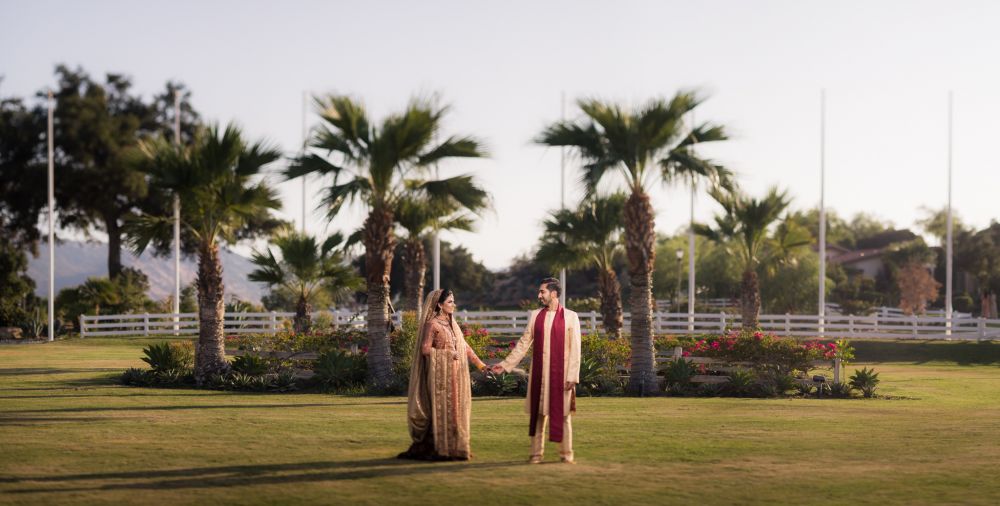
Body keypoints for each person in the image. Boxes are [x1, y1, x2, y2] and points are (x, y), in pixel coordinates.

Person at [491, 278, 582, 464]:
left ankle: (566, 454)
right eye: (540, 292)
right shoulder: (535, 316)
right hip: (539, 375)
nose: (539, 295)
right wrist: (505, 364)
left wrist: (573, 376)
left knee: (563, 416)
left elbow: (576, 349)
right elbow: (523, 344)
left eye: (542, 292)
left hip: (562, 376)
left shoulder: (571, 317)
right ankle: (535, 454)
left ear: (554, 294)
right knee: (538, 414)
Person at [399, 289, 488, 461]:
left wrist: (481, 365)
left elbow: (464, 347)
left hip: (455, 374)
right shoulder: (432, 324)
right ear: (439, 305)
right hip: (439, 375)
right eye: (450, 302)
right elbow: (425, 349)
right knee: (442, 411)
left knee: (455, 411)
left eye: (453, 301)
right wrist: (447, 355)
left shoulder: (452, 324)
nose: (454, 304)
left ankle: (455, 448)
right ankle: (441, 449)